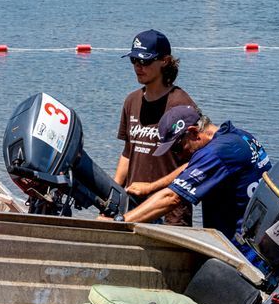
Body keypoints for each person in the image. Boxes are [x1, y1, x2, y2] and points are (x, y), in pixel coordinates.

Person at [123, 104, 270, 242]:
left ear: (193, 132)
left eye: (177, 148)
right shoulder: (238, 136)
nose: (178, 156)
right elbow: (192, 166)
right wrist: (151, 187)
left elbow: (172, 198)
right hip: (260, 232)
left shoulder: (215, 152)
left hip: (239, 247)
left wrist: (120, 222)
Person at [114, 29, 195, 226]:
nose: (138, 67)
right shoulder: (131, 101)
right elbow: (127, 153)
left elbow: (193, 164)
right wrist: (114, 194)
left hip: (170, 211)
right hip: (134, 206)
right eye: (134, 61)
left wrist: (151, 187)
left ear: (165, 61)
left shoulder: (181, 105)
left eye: (145, 61)